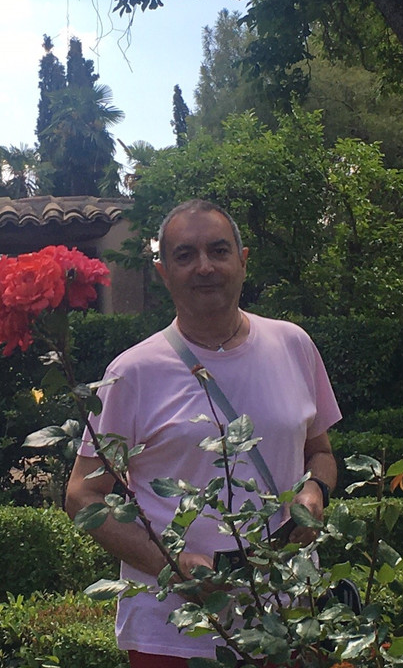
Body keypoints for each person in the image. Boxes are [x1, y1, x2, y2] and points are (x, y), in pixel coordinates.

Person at [66, 199, 342, 668]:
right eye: (185, 255)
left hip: (290, 615)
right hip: (171, 634)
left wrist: (315, 490)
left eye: (218, 250)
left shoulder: (294, 345)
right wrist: (171, 567)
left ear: (243, 260)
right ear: (163, 272)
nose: (205, 267)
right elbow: (83, 496)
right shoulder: (132, 373)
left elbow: (321, 453)